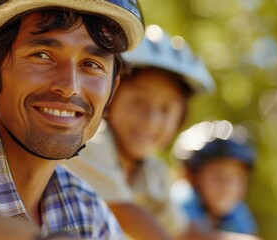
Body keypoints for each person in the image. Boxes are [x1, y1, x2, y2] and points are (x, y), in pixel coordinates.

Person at [0, 0, 144, 239]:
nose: (69, 87)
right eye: (42, 55)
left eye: (91, 64)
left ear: (112, 89)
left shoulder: (87, 211)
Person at [67, 25, 260, 240]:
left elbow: (184, 231)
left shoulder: (152, 173)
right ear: (110, 98)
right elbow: (126, 214)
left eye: (166, 109)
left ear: (180, 120)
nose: (151, 120)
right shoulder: (90, 144)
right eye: (138, 102)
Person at [171, 120, 258, 236]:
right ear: (191, 177)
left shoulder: (237, 211)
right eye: (217, 176)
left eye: (236, 177)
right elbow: (183, 233)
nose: (227, 185)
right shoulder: (178, 201)